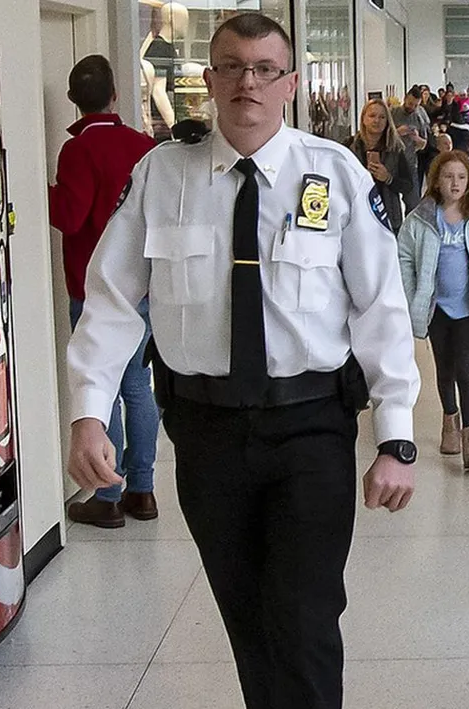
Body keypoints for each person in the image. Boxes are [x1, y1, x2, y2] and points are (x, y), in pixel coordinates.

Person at [65, 14, 421, 709]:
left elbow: (381, 306)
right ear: (209, 80)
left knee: (305, 617)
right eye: (231, 66)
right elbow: (109, 299)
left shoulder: (335, 173)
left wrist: (397, 435)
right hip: (204, 433)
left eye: (265, 69)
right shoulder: (162, 174)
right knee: (248, 618)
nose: (247, 83)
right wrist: (87, 411)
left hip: (311, 426)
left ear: (291, 83)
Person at [49, 54, 160, 529]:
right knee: (138, 386)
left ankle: (107, 492)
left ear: (74, 103)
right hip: (146, 285)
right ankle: (143, 489)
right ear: (116, 95)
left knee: (105, 388)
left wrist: (42, 192)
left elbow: (71, 217)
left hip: (94, 288)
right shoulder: (143, 145)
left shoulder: (77, 151)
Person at [397, 151, 469, 470]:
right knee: (444, 369)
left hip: (468, 308)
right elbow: (403, 257)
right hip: (436, 309)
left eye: (461, 177)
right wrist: (412, 292)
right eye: (448, 177)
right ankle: (450, 423)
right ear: (436, 181)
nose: (455, 183)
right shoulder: (421, 218)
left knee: (466, 369)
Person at [343, 99, 413, 232]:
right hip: (356, 217)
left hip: (387, 217)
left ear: (387, 121)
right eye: (372, 116)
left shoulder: (396, 149)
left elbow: (408, 186)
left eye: (382, 117)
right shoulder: (349, 146)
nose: (377, 121)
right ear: (363, 119)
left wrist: (388, 178)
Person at [392, 86, 432, 203]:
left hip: (410, 163)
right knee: (392, 203)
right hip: (392, 163)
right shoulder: (393, 112)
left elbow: (424, 143)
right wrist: (397, 132)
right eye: (410, 104)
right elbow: (383, 136)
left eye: (416, 105)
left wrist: (417, 139)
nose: (412, 108)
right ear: (405, 99)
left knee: (413, 201)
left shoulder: (419, 116)